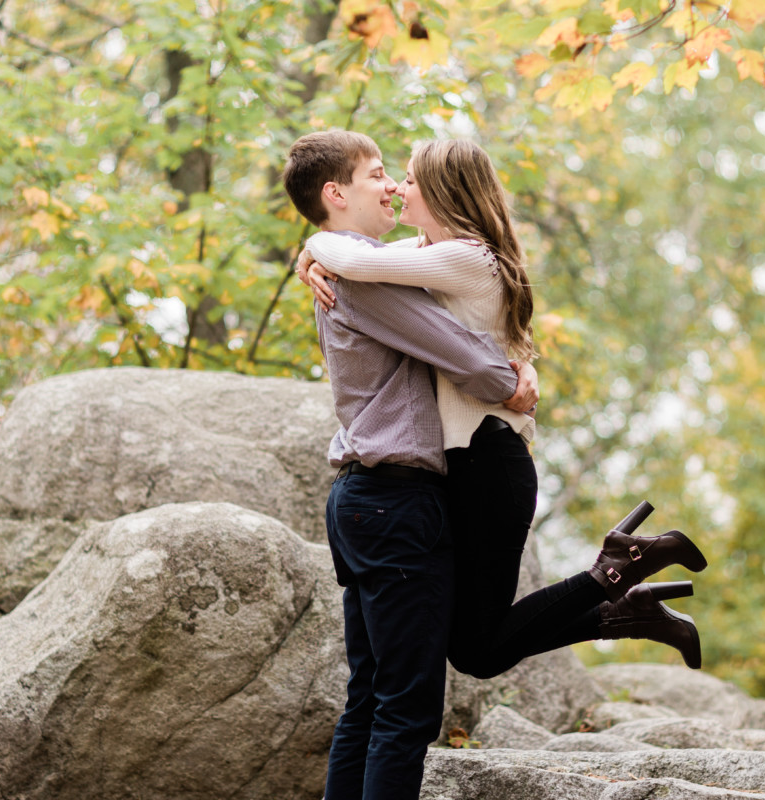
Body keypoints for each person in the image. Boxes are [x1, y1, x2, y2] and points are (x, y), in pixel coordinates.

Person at [295, 138, 708, 683]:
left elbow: (353, 259)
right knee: (473, 645)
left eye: (411, 179)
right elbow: (363, 264)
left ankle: (620, 568)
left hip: (489, 460)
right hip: (468, 463)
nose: (396, 187)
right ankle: (627, 609)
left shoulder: (464, 256)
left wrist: (311, 248)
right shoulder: (428, 258)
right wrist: (315, 255)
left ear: (444, 192)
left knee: (477, 651)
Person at [281, 130, 537, 800]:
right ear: (335, 194)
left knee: (369, 701)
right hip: (394, 501)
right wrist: (514, 381)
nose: (391, 185)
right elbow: (475, 361)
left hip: (367, 500)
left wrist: (308, 248)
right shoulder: (364, 278)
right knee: (404, 710)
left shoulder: (359, 265)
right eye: (376, 174)